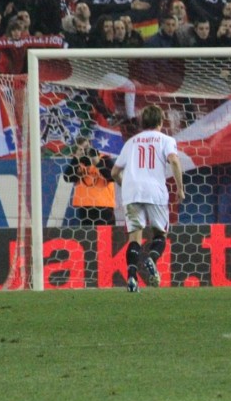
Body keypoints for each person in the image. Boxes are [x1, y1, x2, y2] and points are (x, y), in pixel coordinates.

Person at [111, 105, 186, 292]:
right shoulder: (166, 140)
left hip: (132, 192)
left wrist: (125, 184)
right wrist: (180, 189)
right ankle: (152, 258)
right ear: (161, 122)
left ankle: (131, 279)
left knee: (134, 237)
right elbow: (175, 161)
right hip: (155, 192)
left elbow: (114, 172)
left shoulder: (131, 142)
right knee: (160, 233)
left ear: (143, 123)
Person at [63, 135, 117, 226]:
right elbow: (67, 177)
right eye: (81, 149)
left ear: (91, 146)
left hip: (104, 206)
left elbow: (112, 177)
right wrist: (76, 159)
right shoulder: (78, 163)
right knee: (87, 237)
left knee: (106, 235)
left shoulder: (104, 159)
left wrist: (97, 163)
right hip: (85, 207)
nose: (84, 151)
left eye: (86, 148)